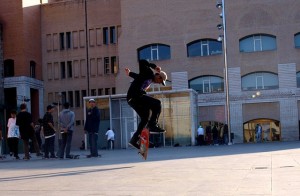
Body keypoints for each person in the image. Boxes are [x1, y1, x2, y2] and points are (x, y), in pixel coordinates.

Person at [125, 59, 167, 149]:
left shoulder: (148, 79)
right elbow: (142, 61)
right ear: (159, 76)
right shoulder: (148, 73)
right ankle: (153, 124)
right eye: (160, 82)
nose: (158, 83)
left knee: (145, 118)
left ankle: (134, 140)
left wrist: (129, 73)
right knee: (157, 103)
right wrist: (154, 66)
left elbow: (137, 77)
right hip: (135, 96)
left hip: (133, 99)